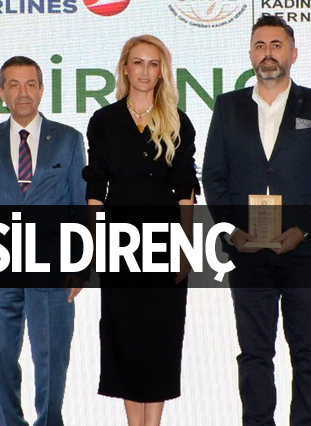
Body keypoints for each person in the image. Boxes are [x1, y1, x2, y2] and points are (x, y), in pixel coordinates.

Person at [201, 14, 311, 426]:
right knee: (254, 354)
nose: (268, 54)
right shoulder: (228, 106)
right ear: (251, 54)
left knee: (308, 352)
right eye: (260, 46)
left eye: (276, 45)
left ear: (293, 54)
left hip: (305, 249)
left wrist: (302, 229)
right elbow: (213, 176)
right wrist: (233, 230)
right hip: (247, 251)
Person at [84, 35, 198, 426]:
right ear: (125, 68)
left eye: (153, 63)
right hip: (119, 240)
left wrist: (185, 247)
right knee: (126, 336)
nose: (145, 71)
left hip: (166, 240)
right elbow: (96, 188)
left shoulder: (178, 121)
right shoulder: (104, 121)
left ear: (162, 71)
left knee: (162, 336)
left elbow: (186, 191)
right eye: (138, 62)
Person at [0, 56, 87, 426]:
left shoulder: (68, 139)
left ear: (41, 90)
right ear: (1, 93)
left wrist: (81, 264)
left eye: (31, 84)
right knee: (1, 354)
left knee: (52, 357)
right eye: (14, 85)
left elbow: (80, 204)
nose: (23, 93)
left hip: (53, 267)